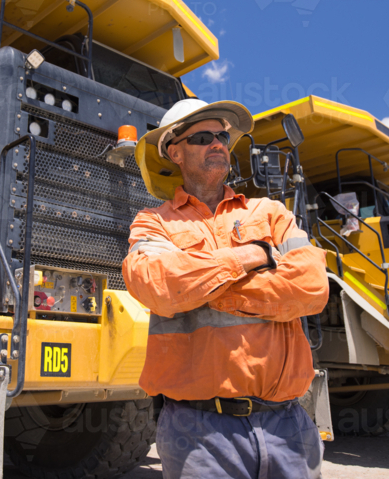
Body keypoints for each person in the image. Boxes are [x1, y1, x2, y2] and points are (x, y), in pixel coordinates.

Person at [123, 98, 329, 479]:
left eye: (222, 135)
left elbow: (313, 288)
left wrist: (200, 290)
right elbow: (159, 286)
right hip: (198, 431)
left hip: (289, 425)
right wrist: (251, 256)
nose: (218, 142)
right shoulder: (153, 222)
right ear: (175, 151)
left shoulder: (270, 212)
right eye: (203, 136)